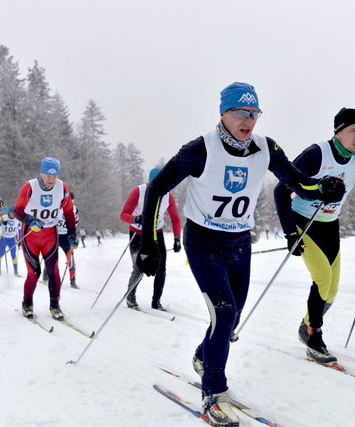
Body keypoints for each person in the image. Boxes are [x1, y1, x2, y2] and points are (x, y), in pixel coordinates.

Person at [135, 82, 327, 426]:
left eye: (254, 114)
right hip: (203, 242)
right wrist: (149, 242)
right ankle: (213, 392)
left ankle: (203, 356)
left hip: (239, 242)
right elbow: (157, 188)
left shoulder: (266, 148)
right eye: (240, 112)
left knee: (233, 316)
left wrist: (324, 188)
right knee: (223, 313)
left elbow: (299, 182)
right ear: (223, 113)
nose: (248, 120)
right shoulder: (200, 149)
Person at [274, 107, 355, 365]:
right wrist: (290, 232)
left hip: (329, 224)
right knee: (322, 279)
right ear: (338, 132)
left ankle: (307, 326)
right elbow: (280, 190)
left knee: (331, 291)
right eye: (352, 130)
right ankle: (314, 337)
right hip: (303, 221)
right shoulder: (315, 155)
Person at [13, 157, 78, 320]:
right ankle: (27, 303)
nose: (51, 180)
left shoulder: (62, 187)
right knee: (34, 272)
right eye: (48, 175)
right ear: (41, 173)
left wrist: (72, 233)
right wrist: (29, 220)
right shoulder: (30, 187)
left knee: (53, 271)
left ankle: (55, 305)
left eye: (55, 176)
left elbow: (68, 212)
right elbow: (17, 211)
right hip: (31, 235)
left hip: (50, 235)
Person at [120, 167, 182, 311]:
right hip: (138, 233)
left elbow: (175, 219)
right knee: (139, 267)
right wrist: (136, 219)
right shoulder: (139, 191)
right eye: (153, 183)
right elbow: (123, 214)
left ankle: (156, 302)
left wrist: (177, 238)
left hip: (156, 233)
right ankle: (130, 297)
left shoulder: (168, 196)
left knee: (161, 267)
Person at [42, 192, 80, 288]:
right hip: (55, 235)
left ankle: (73, 280)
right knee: (51, 257)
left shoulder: (75, 210)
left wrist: (73, 237)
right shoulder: (55, 208)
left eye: (71, 202)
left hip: (66, 237)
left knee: (70, 258)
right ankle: (46, 274)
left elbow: (75, 225)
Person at [0, 207, 22, 277]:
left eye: (15, 213)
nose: (13, 215)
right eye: (12, 213)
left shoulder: (18, 219)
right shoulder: (3, 217)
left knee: (13, 255)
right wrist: (2, 223)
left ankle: (15, 271)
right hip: (3, 238)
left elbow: (19, 230)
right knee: (1, 253)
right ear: (9, 213)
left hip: (12, 239)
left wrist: (19, 240)